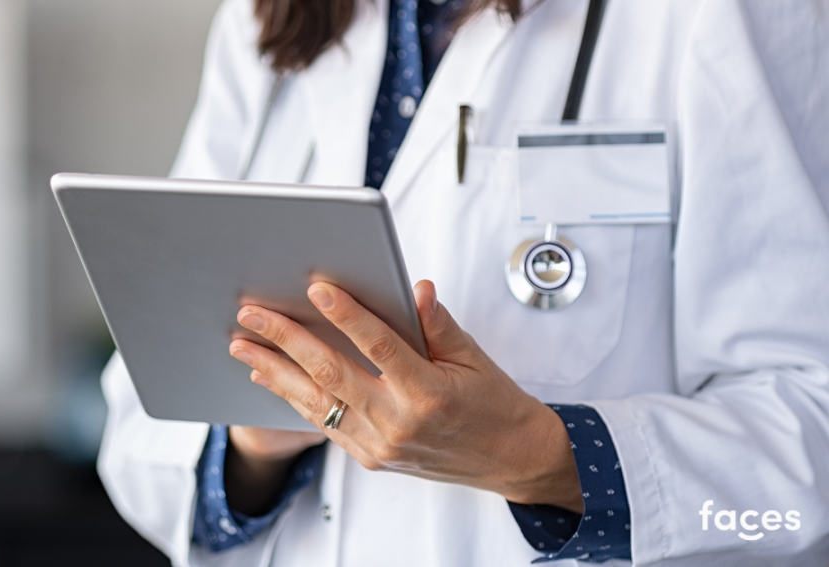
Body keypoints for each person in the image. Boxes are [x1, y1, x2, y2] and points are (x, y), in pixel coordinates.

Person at [97, 0, 829, 565]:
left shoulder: (720, 14)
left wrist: (545, 457)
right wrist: (252, 440)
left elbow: (809, 450)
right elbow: (140, 428)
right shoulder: (266, 25)